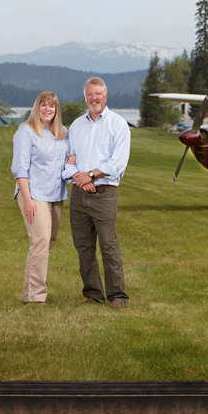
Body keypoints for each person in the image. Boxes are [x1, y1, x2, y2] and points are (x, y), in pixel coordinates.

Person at [63, 76, 131, 308]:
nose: (94, 98)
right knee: (83, 247)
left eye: (98, 94)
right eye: (90, 94)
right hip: (79, 195)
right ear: (85, 98)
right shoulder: (76, 126)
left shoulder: (118, 124)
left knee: (108, 245)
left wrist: (90, 175)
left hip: (104, 194)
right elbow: (69, 161)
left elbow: (117, 163)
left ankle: (118, 296)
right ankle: (93, 295)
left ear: (105, 96)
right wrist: (80, 178)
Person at [11, 91, 72, 305]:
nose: (47, 109)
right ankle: (35, 297)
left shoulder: (64, 133)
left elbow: (69, 159)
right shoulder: (26, 131)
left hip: (56, 195)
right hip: (34, 194)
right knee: (40, 242)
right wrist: (27, 200)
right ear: (37, 107)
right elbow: (20, 169)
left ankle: (33, 290)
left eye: (52, 106)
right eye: (43, 105)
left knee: (48, 242)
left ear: (57, 109)